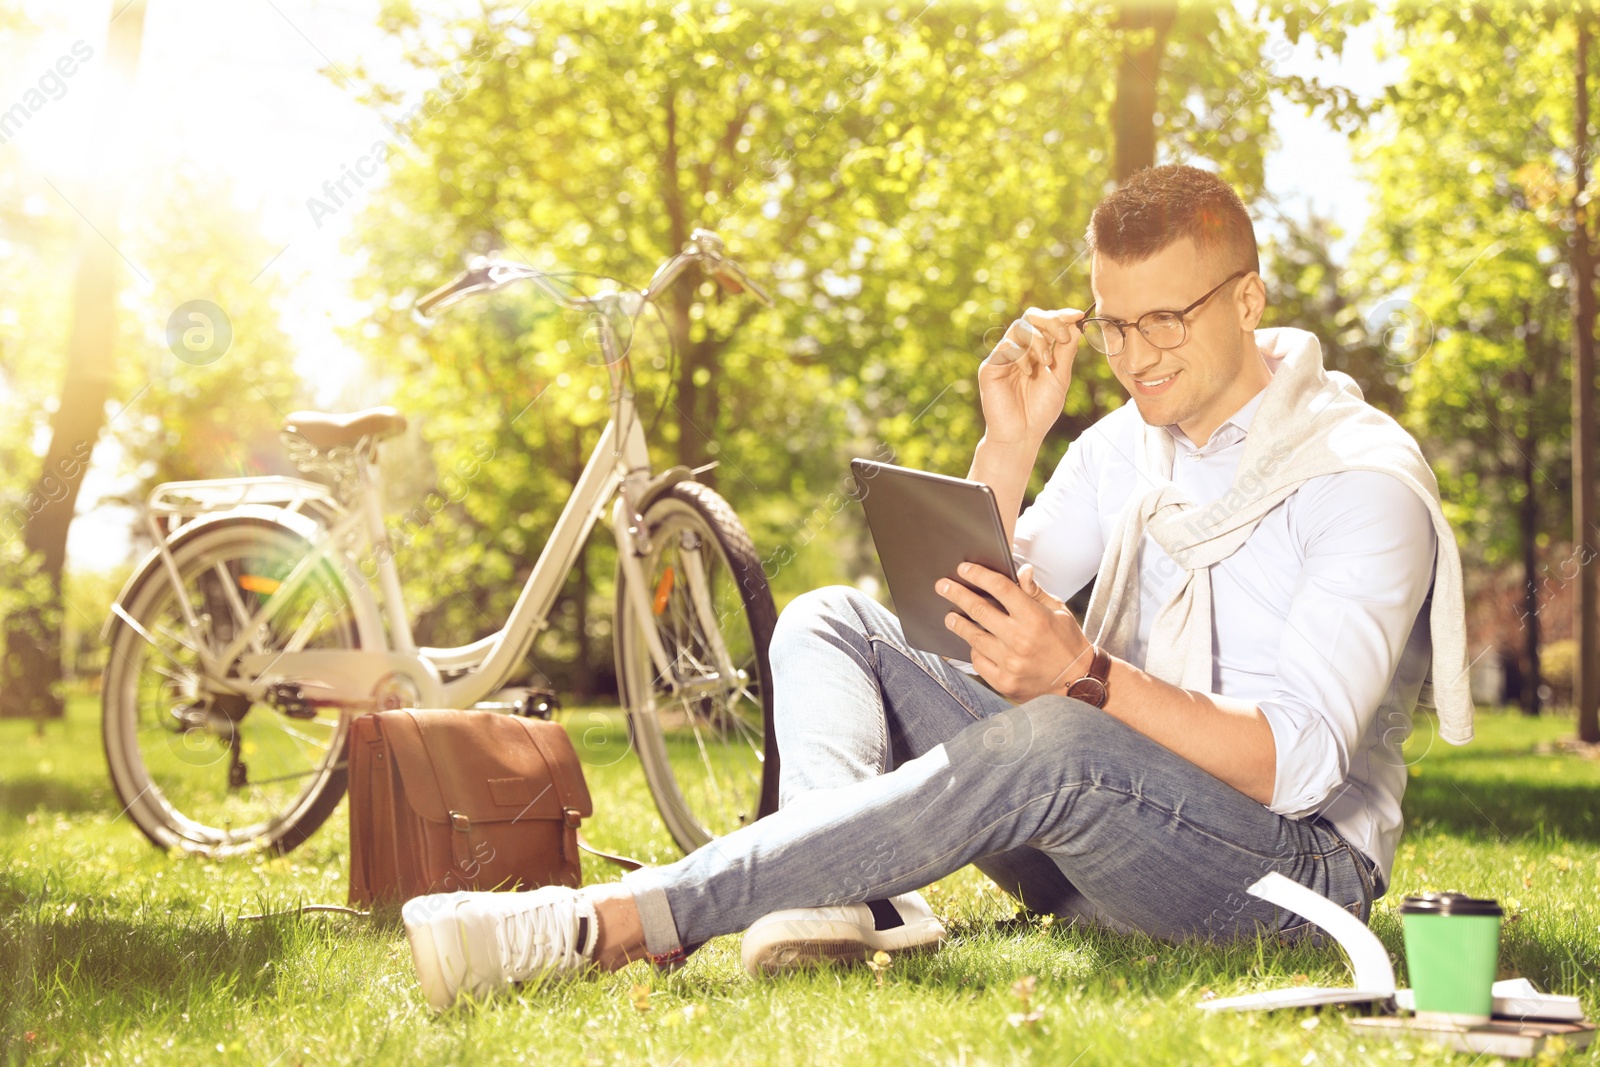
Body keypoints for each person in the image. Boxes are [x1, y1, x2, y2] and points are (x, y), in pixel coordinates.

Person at [399, 164, 1473, 1011]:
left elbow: (1296, 766)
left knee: (1061, 730)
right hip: (1097, 843)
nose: (1136, 356)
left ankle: (612, 923)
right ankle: (823, 898)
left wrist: (1088, 677)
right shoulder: (1123, 444)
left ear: (1249, 298)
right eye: (1112, 323)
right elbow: (959, 629)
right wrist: (1006, 447)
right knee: (833, 618)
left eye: (1167, 320)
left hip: (1284, 883)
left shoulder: (1358, 483)